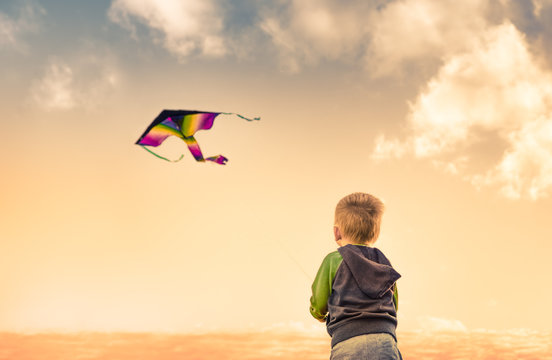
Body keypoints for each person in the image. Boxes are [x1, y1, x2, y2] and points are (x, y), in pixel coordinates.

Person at [310, 192, 402, 359]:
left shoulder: (333, 260)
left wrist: (318, 314)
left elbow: (319, 302)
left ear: (336, 232)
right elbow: (394, 305)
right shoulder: (385, 263)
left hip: (347, 343)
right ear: (376, 233)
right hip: (386, 341)